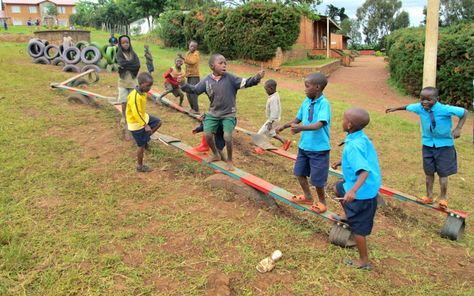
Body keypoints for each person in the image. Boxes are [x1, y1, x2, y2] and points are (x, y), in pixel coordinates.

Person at [386, 86, 467, 209]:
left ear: (437, 99)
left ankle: (443, 198)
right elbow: (408, 107)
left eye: (429, 99)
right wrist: (395, 108)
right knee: (428, 172)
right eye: (422, 99)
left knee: (443, 174)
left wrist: (458, 128)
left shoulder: (445, 109)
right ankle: (429, 196)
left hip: (444, 146)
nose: (425, 102)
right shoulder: (420, 107)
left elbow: (464, 112)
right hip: (428, 145)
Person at [180, 53, 265, 170]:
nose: (224, 65)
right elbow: (194, 90)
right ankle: (215, 154)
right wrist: (183, 84)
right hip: (213, 113)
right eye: (220, 63)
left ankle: (229, 160)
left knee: (228, 137)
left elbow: (246, 82)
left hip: (228, 114)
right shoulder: (206, 80)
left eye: (225, 63)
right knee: (208, 135)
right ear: (212, 66)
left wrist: (256, 78)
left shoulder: (230, 78)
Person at [331, 108, 381, 270]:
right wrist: (342, 162)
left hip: (362, 191)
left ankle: (364, 261)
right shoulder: (359, 137)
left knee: (359, 228)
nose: (342, 121)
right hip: (368, 185)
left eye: (343, 119)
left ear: (350, 125)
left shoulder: (354, 146)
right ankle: (347, 214)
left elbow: (364, 171)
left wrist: (353, 191)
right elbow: (361, 158)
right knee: (338, 187)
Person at [276, 72, 331, 213]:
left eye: (307, 86)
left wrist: (300, 128)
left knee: (317, 180)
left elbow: (319, 124)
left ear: (317, 87)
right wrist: (285, 126)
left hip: (319, 149)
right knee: (299, 173)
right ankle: (307, 196)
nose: (304, 89)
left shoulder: (324, 104)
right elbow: (297, 120)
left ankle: (322, 202)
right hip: (304, 147)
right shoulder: (306, 102)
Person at [126, 72, 162, 172]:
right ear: (141, 84)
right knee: (140, 146)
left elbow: (140, 112)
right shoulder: (134, 96)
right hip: (135, 123)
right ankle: (140, 166)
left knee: (158, 122)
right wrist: (145, 125)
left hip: (143, 118)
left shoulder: (143, 92)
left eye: (151, 86)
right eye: (147, 86)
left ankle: (145, 139)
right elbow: (136, 113)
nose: (149, 88)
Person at [116, 35, 140, 133]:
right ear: (120, 44)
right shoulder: (119, 54)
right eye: (123, 43)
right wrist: (130, 65)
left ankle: (132, 117)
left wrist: (126, 66)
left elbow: (137, 65)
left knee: (132, 101)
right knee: (124, 101)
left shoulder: (133, 54)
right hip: (123, 82)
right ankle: (123, 117)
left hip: (133, 81)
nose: (126, 44)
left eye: (127, 42)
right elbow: (121, 63)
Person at [257, 79, 291, 150]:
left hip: (272, 120)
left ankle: (261, 148)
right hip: (274, 119)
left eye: (266, 89)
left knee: (261, 133)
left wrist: (270, 122)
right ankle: (285, 141)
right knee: (271, 133)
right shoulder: (274, 96)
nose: (266, 91)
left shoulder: (273, 99)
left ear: (271, 88)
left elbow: (274, 111)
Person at [180, 40, 201, 113]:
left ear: (196, 48)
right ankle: (192, 108)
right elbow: (186, 63)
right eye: (191, 46)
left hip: (194, 76)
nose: (192, 48)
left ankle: (196, 109)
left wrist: (183, 58)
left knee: (193, 93)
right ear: (189, 46)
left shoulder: (196, 54)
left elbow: (192, 62)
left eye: (194, 47)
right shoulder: (188, 53)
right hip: (189, 76)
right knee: (188, 92)